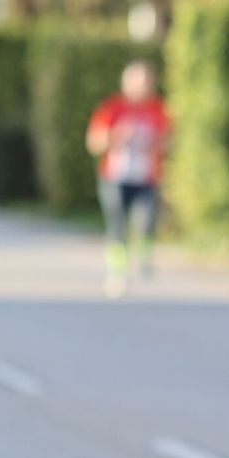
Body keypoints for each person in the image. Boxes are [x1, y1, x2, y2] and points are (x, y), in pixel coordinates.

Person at [85, 60, 170, 298]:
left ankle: (144, 257)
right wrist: (117, 136)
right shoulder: (112, 108)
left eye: (146, 82)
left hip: (146, 177)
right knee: (117, 225)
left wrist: (157, 143)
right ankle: (117, 272)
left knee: (147, 221)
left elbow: (169, 140)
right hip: (115, 177)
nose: (142, 87)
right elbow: (93, 143)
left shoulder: (158, 109)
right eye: (138, 82)